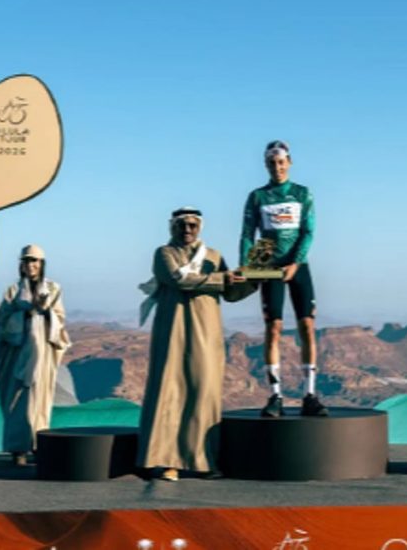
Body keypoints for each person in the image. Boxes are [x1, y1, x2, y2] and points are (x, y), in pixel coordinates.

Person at [137, 207, 254, 481]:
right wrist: (222, 278)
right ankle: (167, 461)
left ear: (199, 227)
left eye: (193, 225)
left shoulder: (214, 256)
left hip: (207, 332)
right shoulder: (164, 254)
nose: (187, 230)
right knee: (171, 389)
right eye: (182, 225)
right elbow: (180, 280)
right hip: (173, 329)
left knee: (205, 391)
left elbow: (230, 292)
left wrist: (252, 278)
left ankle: (203, 461)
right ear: (173, 227)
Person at [240, 140, 327, 418]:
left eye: (281, 162)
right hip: (268, 264)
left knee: (307, 326)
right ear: (266, 165)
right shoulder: (257, 196)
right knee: (273, 327)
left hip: (297, 265)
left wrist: (296, 262)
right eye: (271, 163)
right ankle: (275, 396)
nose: (277, 167)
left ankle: (310, 395)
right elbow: (247, 234)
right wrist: (247, 266)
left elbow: (308, 231)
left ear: (289, 163)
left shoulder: (302, 193)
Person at [0, 244, 71, 466]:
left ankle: (38, 445)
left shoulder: (53, 289)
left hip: (41, 354)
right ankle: (18, 449)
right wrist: (25, 313)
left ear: (41, 264)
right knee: (17, 400)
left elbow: (60, 319)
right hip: (17, 355)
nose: (30, 265)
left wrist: (45, 312)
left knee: (39, 400)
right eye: (26, 261)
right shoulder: (13, 292)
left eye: (34, 261)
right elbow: (0, 323)